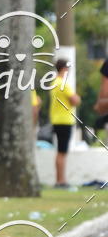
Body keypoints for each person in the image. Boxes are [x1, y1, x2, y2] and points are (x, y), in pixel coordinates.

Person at [49, 59, 80, 188]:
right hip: (65, 121)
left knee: (60, 151)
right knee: (62, 152)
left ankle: (59, 179)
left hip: (56, 120)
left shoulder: (54, 83)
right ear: (64, 69)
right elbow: (75, 100)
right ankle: (61, 181)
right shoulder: (63, 84)